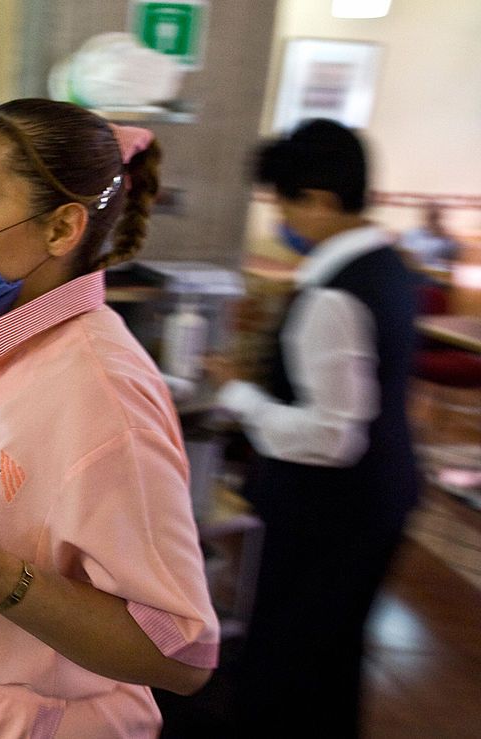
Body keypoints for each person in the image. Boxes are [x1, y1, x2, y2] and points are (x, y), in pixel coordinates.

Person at [0, 99, 218, 738]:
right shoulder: (16, 339)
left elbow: (184, 652)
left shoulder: (109, 399)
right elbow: (28, 452)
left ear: (60, 230)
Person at [205, 119, 420, 737]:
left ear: (320, 201)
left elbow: (332, 435)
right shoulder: (387, 264)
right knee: (329, 657)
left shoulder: (336, 293)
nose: (281, 220)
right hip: (373, 499)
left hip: (334, 510)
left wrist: (239, 393)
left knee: (292, 660)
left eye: (284, 203)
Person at [400, 200, 461, 270]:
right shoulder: (412, 234)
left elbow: (455, 260)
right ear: (425, 216)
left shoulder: (447, 240)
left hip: (438, 274)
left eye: (436, 217)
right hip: (416, 273)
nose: (434, 220)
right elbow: (404, 257)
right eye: (432, 217)